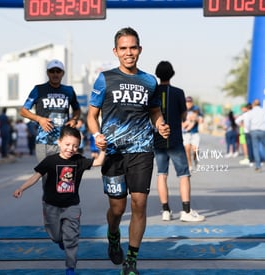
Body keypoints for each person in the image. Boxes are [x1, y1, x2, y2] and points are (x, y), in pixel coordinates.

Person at [86, 27, 170, 275]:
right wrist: (97, 136)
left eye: (133, 47)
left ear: (140, 50)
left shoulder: (149, 81)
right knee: (117, 209)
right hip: (113, 152)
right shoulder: (105, 78)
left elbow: (154, 111)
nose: (129, 52)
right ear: (116, 51)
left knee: (139, 203)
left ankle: (131, 259)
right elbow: (92, 115)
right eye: (123, 48)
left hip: (142, 149)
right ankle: (114, 234)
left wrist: (161, 124)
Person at [13, 126, 105, 275]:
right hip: (51, 206)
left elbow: (99, 161)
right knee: (55, 236)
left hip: (72, 206)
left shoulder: (79, 161)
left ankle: (70, 267)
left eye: (75, 145)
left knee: (72, 239)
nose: (71, 148)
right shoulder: (50, 161)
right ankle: (60, 241)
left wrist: (104, 148)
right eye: (68, 144)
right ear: (59, 142)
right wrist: (21, 188)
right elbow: (36, 176)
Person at [153, 61, 205, 223]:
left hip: (158, 140)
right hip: (175, 139)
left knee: (162, 174)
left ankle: (166, 211)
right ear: (172, 74)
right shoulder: (178, 92)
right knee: (184, 175)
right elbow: (184, 116)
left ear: (157, 74)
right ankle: (186, 211)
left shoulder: (152, 92)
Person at [20, 59, 81, 164]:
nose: (55, 74)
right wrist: (39, 119)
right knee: (47, 177)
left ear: (63, 73)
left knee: (64, 175)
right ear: (47, 73)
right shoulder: (39, 89)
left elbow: (77, 109)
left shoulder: (69, 90)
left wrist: (74, 119)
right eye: (52, 71)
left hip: (64, 142)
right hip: (44, 141)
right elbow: (23, 111)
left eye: (58, 71)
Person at [244, 99, 265, 172]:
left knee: (255, 148)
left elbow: (247, 124)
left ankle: (258, 167)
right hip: (263, 131)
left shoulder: (250, 113)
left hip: (254, 131)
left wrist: (250, 130)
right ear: (260, 104)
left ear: (253, 105)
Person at [182, 96, 203, 172]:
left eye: (190, 102)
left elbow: (201, 120)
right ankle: (189, 165)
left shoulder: (196, 109)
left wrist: (195, 118)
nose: (188, 104)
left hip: (194, 133)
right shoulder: (182, 109)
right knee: (187, 149)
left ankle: (195, 160)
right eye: (187, 102)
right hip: (185, 133)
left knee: (195, 150)